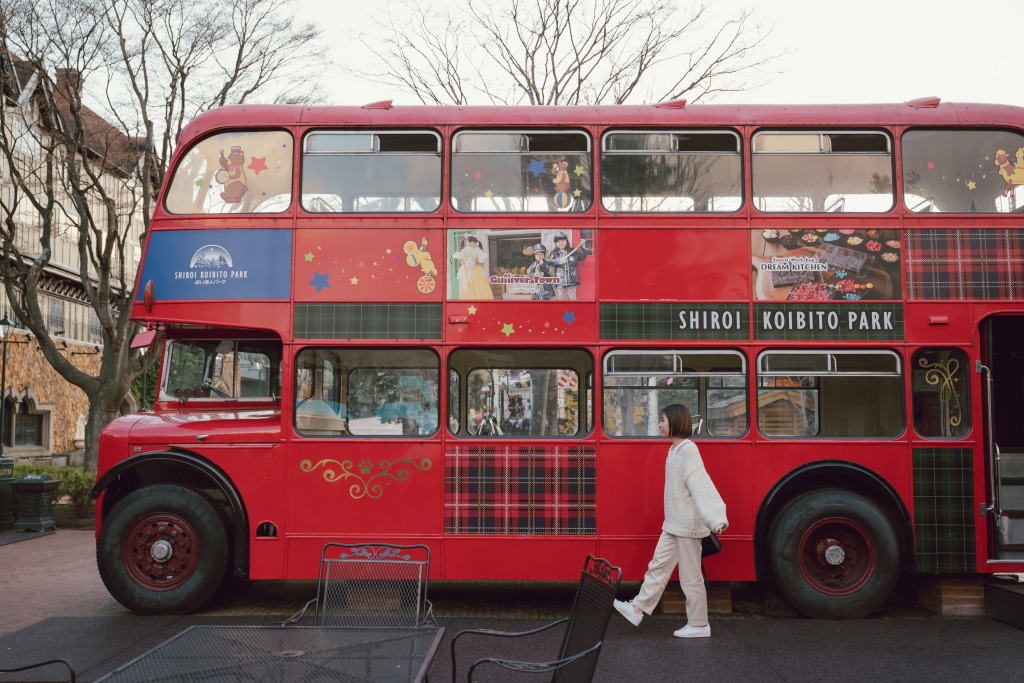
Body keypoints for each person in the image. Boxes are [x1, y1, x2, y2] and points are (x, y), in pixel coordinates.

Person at [613, 403, 728, 638]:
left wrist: (716, 518)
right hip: (673, 523)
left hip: (687, 526)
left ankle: (699, 625)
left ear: (675, 422)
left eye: (663, 420)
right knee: (657, 567)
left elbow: (701, 484)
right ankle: (637, 609)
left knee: (691, 577)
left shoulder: (688, 450)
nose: (660, 424)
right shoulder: (673, 451)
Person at [549, 231, 590, 300]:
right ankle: (562, 310)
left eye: (562, 240)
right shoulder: (554, 254)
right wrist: (559, 261)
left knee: (572, 297)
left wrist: (583, 247)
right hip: (560, 281)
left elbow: (582, 257)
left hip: (572, 280)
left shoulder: (573, 251)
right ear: (555, 243)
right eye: (558, 241)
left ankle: (573, 310)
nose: (561, 243)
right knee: (561, 297)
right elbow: (550, 263)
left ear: (566, 241)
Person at [451, 235, 494, 300]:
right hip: (465, 270)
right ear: (466, 242)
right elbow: (461, 262)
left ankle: (479, 300)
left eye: (474, 243)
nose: (472, 244)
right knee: (466, 287)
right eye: (470, 242)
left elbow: (480, 262)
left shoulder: (478, 251)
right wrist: (464, 258)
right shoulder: (463, 251)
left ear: (476, 244)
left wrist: (475, 258)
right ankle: (468, 301)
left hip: (476, 270)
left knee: (477, 285)